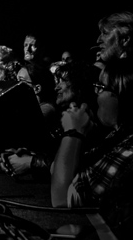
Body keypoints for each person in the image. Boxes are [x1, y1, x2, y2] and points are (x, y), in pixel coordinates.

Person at [51, 58, 132, 233]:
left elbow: (61, 198)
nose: (96, 94)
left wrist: (73, 132)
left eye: (101, 88)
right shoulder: (115, 137)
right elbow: (59, 171)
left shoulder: (127, 150)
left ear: (121, 95)